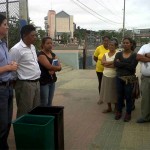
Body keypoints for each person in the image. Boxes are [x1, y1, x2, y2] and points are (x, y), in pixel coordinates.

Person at [9, 25, 41, 117]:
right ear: (24, 35)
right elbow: (12, 68)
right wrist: (17, 83)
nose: (35, 38)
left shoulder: (33, 47)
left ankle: (33, 130)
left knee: (36, 110)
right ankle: (22, 131)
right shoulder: (16, 49)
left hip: (36, 82)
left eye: (35, 35)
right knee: (24, 111)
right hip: (25, 85)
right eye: (32, 35)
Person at [0, 14, 18, 150]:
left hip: (8, 87)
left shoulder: (3, 44)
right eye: (5, 24)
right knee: (2, 123)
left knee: (7, 123)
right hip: (1, 89)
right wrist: (8, 67)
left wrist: (9, 64)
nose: (7, 26)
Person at [114, 37, 138, 122]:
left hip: (129, 79)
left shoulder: (134, 55)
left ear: (131, 44)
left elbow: (132, 67)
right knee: (119, 96)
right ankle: (119, 112)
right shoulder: (119, 54)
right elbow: (115, 64)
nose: (125, 44)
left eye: (127, 43)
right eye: (124, 42)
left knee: (128, 97)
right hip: (119, 78)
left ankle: (128, 113)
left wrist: (120, 63)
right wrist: (125, 64)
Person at [38, 37, 61, 106]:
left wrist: (56, 68)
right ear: (43, 44)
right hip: (44, 82)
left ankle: (48, 115)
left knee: (50, 102)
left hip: (52, 81)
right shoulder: (41, 55)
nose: (50, 45)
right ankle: (43, 116)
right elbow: (49, 66)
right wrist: (55, 68)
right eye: (47, 43)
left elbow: (59, 67)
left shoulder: (53, 55)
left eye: (51, 43)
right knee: (44, 102)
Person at [100, 39, 118, 113]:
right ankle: (109, 107)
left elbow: (116, 65)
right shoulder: (105, 54)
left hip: (115, 76)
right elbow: (102, 63)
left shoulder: (118, 54)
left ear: (116, 46)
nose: (110, 46)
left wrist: (107, 64)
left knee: (115, 93)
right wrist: (112, 62)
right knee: (107, 93)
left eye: (112, 45)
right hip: (106, 75)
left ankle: (116, 108)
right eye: (109, 45)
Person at [93, 36, 110, 104]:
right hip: (99, 70)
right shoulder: (99, 48)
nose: (106, 42)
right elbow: (95, 58)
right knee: (101, 83)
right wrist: (100, 63)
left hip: (109, 70)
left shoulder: (111, 48)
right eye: (104, 40)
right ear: (102, 41)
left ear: (109, 41)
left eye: (107, 40)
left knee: (108, 84)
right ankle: (101, 98)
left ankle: (108, 97)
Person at [136, 42, 150, 123]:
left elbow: (141, 57)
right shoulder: (145, 46)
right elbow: (138, 57)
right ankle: (145, 116)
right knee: (145, 98)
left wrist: (145, 56)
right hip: (146, 78)